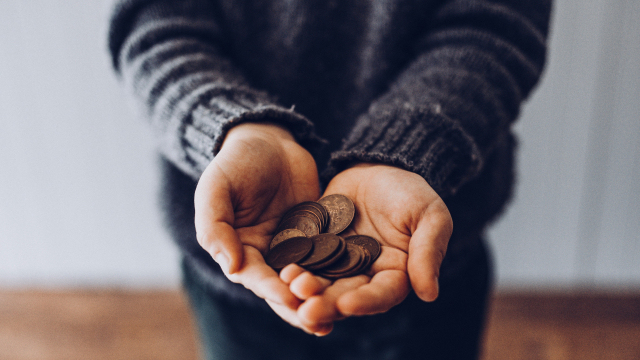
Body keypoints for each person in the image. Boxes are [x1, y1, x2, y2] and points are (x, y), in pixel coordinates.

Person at [109, 0, 551, 359]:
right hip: (241, 270)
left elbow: (495, 25)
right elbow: (152, 24)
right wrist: (229, 126)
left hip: (425, 257)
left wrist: (410, 147)